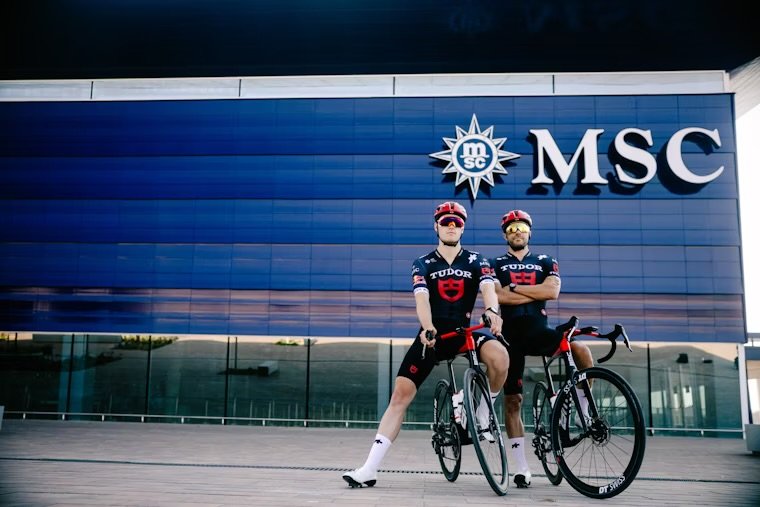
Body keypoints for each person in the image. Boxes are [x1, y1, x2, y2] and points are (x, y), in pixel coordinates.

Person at [342, 201, 509, 488]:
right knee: (400, 395)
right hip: (432, 336)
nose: (451, 226)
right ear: (436, 226)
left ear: (463, 228)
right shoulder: (422, 263)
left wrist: (493, 311)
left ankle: (482, 413)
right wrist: (428, 326)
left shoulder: (478, 260)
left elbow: (488, 290)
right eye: (446, 222)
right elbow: (422, 299)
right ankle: (369, 469)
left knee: (501, 356)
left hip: (464, 332)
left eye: (457, 222)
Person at [489, 209, 594, 488]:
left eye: (521, 227)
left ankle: (583, 412)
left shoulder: (546, 260)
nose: (517, 232)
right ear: (505, 235)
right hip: (510, 337)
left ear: (530, 232)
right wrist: (531, 290)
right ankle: (521, 469)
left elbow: (552, 292)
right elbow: (497, 296)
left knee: (581, 351)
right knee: (513, 401)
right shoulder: (494, 263)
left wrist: (514, 289)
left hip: (539, 330)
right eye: (511, 229)